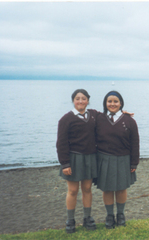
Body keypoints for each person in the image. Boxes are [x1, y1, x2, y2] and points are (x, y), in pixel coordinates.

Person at [95, 90, 140, 229]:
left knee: (121, 189)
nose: (112, 104)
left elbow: (135, 143)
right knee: (107, 189)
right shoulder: (98, 119)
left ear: (121, 103)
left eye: (116, 101)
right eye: (109, 101)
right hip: (104, 158)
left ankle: (120, 215)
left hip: (123, 159)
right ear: (105, 103)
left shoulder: (130, 121)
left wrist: (134, 162)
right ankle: (109, 216)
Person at [57, 89, 98, 233]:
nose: (81, 101)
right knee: (73, 190)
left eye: (84, 98)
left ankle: (87, 218)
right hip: (73, 159)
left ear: (88, 100)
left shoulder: (93, 115)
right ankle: (70, 220)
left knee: (87, 189)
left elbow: (109, 114)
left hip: (90, 157)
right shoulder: (66, 119)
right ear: (73, 101)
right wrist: (65, 164)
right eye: (77, 98)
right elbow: (61, 143)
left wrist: (124, 113)